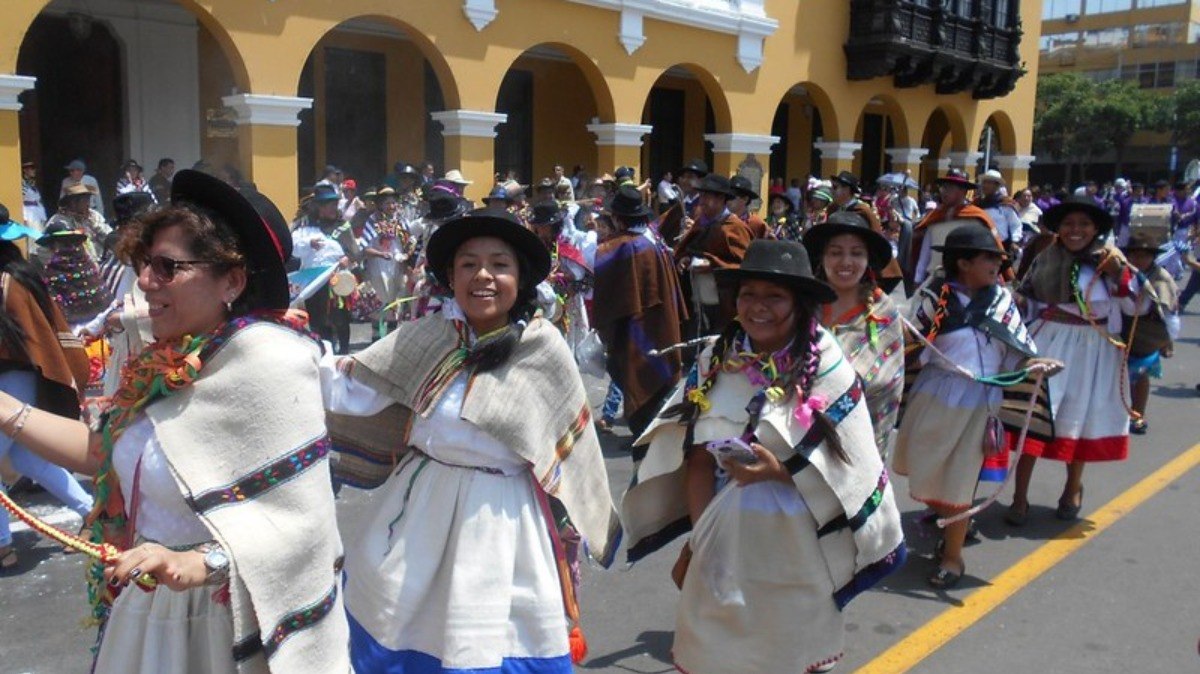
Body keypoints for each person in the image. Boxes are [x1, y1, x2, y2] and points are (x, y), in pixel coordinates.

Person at [0, 170, 350, 672]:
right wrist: (5, 409)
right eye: (144, 264)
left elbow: (304, 524)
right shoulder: (164, 363)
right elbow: (105, 454)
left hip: (225, 623)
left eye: (167, 267)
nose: (144, 282)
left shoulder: (272, 362)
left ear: (231, 280)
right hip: (150, 608)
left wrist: (200, 562)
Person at [321, 208, 621, 673]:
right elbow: (348, 387)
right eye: (468, 264)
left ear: (520, 278)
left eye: (499, 264)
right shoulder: (426, 338)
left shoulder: (544, 351)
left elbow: (572, 454)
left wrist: (582, 521)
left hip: (503, 522)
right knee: (392, 627)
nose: (483, 276)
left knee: (488, 642)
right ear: (450, 277)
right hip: (417, 511)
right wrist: (288, 349)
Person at [620, 239, 906, 674]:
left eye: (774, 296)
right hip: (724, 534)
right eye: (749, 294)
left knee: (787, 653)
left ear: (801, 303)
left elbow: (853, 470)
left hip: (798, 548)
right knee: (717, 650)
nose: (758, 307)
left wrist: (782, 473)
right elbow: (697, 457)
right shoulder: (717, 358)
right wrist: (703, 541)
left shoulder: (828, 367)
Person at [893, 225, 1056, 587]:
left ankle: (952, 558)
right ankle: (948, 522)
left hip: (979, 402)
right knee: (933, 470)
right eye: (990, 258)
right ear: (963, 263)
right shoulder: (935, 296)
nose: (998, 265)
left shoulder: (1001, 301)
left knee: (960, 480)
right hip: (934, 396)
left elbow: (1019, 351)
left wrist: (1036, 364)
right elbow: (907, 344)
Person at [1010, 195, 1135, 525]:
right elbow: (1028, 297)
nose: (1075, 230)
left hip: (1095, 349)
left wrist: (1117, 275)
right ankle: (1018, 497)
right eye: (1068, 223)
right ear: (1058, 228)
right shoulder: (1046, 258)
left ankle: (1072, 488)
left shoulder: (1112, 260)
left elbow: (1136, 308)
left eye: (1083, 224)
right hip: (1051, 340)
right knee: (1036, 416)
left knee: (1080, 416)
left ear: (1095, 229)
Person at [0, 214, 93, 571]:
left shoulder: (10, 282)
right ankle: (92, 514)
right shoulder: (18, 274)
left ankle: (3, 546)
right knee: (28, 460)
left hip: (13, 380)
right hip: (19, 379)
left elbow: (15, 341)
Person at [804, 211, 904, 457]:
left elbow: (888, 382)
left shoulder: (883, 312)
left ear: (868, 259)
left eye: (856, 253)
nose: (846, 262)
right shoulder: (804, 306)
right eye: (835, 252)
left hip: (860, 442)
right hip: (798, 437)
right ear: (822, 257)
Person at [593, 185, 686, 437]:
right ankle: (649, 437)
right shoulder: (653, 239)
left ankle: (642, 440)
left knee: (636, 379)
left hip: (634, 329)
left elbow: (607, 296)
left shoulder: (620, 247)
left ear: (618, 218)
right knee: (656, 385)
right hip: (662, 325)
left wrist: (604, 329)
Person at [673, 174, 753, 336]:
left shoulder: (734, 228)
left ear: (721, 199)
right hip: (696, 298)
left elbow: (745, 266)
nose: (701, 201)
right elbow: (691, 248)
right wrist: (685, 259)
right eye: (701, 195)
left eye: (707, 196)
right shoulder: (701, 222)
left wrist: (713, 265)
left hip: (723, 304)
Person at [1119, 229, 1179, 435]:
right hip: (1121, 330)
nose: (1139, 259)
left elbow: (1169, 314)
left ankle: (1138, 414)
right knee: (1119, 375)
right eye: (1134, 255)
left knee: (1141, 376)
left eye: (1144, 255)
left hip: (1147, 333)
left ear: (1153, 257)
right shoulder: (1120, 273)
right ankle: (1119, 413)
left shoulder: (1161, 278)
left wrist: (1167, 341)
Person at [292, 184, 356, 353]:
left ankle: (343, 352)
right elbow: (293, 248)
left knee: (340, 318)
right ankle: (326, 353)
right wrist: (309, 244)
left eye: (335, 204)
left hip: (337, 281)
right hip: (314, 281)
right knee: (319, 320)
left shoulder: (343, 227)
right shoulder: (304, 228)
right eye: (330, 205)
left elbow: (355, 252)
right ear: (319, 207)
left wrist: (346, 258)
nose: (334, 208)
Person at [44, 184, 110, 261]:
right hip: (72, 266)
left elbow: (109, 236)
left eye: (88, 199)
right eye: (84, 200)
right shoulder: (58, 221)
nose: (88, 204)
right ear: (73, 202)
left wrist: (95, 225)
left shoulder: (94, 216)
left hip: (99, 261)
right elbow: (46, 250)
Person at [20, 161, 47, 231]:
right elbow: (21, 200)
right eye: (32, 168)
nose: (34, 170)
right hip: (29, 215)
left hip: (38, 213)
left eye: (34, 168)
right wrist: (24, 217)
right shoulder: (22, 183)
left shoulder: (32, 183)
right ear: (25, 170)